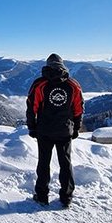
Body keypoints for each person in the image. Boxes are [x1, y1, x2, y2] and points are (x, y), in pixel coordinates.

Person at [26, 53, 84, 207]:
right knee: (66, 164)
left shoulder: (39, 84)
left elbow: (32, 107)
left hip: (44, 131)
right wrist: (76, 128)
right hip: (65, 131)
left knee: (43, 163)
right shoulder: (73, 85)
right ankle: (66, 197)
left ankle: (42, 195)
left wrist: (32, 127)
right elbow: (78, 109)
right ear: (62, 65)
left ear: (48, 65)